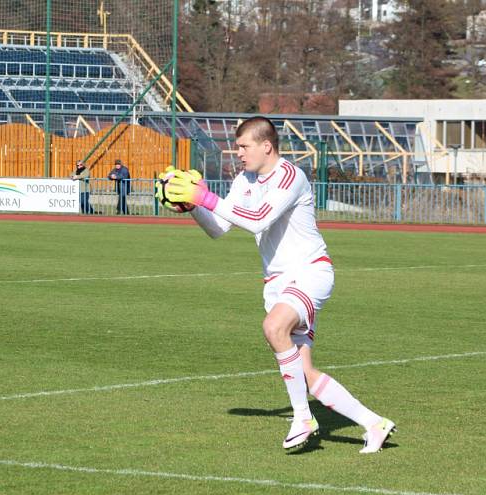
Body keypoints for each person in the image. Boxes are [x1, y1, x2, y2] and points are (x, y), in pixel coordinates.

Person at [161, 117, 395, 453]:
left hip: (310, 272)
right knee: (306, 373)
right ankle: (375, 423)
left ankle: (303, 418)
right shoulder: (245, 179)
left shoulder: (290, 176)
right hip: (277, 281)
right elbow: (219, 229)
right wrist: (193, 206)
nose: (238, 153)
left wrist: (205, 195)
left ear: (266, 146)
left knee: (273, 327)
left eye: (244, 146)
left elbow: (258, 219)